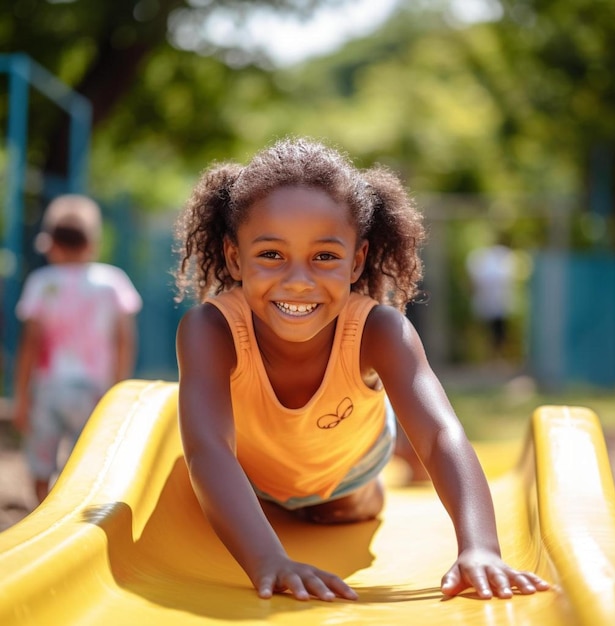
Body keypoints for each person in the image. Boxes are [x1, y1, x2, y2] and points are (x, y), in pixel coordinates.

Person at [174, 137, 550, 602]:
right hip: (253, 476)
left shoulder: (379, 331)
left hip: (348, 474)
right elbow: (208, 450)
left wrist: (480, 548)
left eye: (325, 257)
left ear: (356, 260)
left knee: (345, 509)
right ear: (235, 256)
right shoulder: (210, 328)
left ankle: (390, 459)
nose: (297, 280)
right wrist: (268, 560)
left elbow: (439, 435)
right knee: (233, 497)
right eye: (271, 254)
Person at [13, 194, 142, 503]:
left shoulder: (41, 282)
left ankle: (40, 512)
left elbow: (30, 343)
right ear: (92, 243)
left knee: (41, 460)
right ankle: (73, 519)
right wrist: (119, 385)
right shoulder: (112, 282)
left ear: (50, 244)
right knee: (86, 461)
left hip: (49, 388)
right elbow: (125, 339)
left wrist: (21, 397)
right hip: (96, 391)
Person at [466, 237, 517, 359]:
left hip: (498, 306)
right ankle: (491, 359)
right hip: (490, 306)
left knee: (499, 334)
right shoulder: (488, 261)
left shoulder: (499, 261)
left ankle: (497, 358)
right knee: (490, 334)